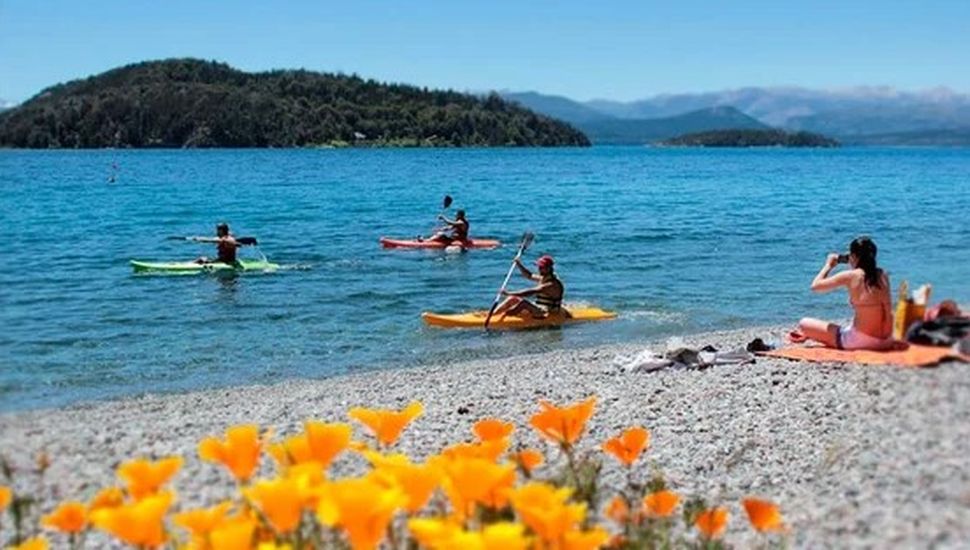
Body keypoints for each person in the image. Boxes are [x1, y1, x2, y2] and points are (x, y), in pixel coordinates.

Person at [797, 236, 894, 350]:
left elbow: (815, 286)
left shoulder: (850, 276)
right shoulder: (883, 274)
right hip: (887, 341)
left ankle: (818, 335)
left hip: (862, 342)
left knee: (804, 323)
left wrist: (828, 265)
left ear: (854, 256)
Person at [491, 254, 566, 319]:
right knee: (512, 299)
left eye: (542, 267)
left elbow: (530, 292)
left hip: (547, 313)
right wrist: (519, 264)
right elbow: (529, 275)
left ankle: (507, 316)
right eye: (539, 267)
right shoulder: (544, 278)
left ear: (549, 268)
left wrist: (509, 293)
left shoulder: (552, 284)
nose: (539, 269)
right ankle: (493, 314)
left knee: (523, 303)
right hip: (539, 308)